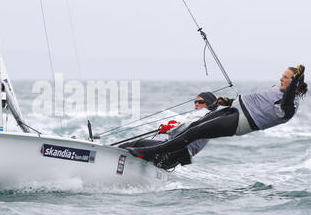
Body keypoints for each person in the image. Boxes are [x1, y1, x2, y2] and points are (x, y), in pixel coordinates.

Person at [124, 65, 308, 168]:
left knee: (194, 133)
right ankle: (145, 153)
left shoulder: (291, 105)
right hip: (236, 109)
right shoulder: (277, 89)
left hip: (242, 122)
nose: (281, 79)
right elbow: (254, 101)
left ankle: (148, 153)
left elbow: (286, 102)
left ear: (295, 82)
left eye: (286, 78)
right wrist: (227, 101)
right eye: (282, 76)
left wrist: (294, 83)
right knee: (190, 127)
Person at [119, 91, 218, 169]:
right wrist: (169, 130)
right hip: (174, 155)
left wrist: (170, 129)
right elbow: (184, 133)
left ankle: (112, 156)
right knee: (147, 153)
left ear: (209, 104)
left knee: (138, 144)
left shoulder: (205, 115)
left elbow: (186, 127)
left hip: (175, 152)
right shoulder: (204, 117)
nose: (196, 104)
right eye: (195, 102)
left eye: (200, 102)